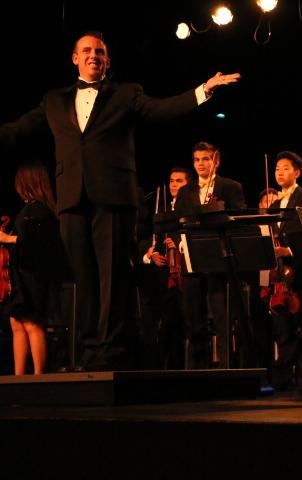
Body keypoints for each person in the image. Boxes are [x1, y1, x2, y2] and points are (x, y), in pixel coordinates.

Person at [0, 31, 240, 371]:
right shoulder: (53, 100)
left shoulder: (126, 94)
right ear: (74, 58)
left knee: (113, 278)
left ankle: (111, 353)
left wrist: (203, 91)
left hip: (113, 198)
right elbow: (18, 129)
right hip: (72, 200)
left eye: (99, 51)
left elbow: (161, 110)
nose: (93, 55)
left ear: (107, 60)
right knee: (83, 280)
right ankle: (88, 352)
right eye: (86, 51)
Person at [175, 141, 246, 369]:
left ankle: (226, 369)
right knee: (194, 320)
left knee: (222, 319)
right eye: (196, 159)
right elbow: (178, 224)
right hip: (192, 261)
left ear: (216, 160)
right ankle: (197, 371)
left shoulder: (230, 186)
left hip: (218, 261)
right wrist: (181, 243)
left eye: (205, 159)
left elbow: (238, 218)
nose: (200, 164)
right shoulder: (186, 191)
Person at [0, 163, 67, 374]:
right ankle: (19, 378)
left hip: (32, 276)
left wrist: (6, 238)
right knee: (17, 326)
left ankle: (39, 377)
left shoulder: (38, 210)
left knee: (32, 324)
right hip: (20, 275)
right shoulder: (29, 209)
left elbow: (38, 244)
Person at [266, 151, 302, 390]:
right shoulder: (275, 204)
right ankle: (284, 377)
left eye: (285, 168)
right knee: (283, 326)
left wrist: (288, 252)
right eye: (277, 168)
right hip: (282, 276)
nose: (280, 172)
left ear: (297, 172)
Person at [138, 167, 193, 369]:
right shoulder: (158, 208)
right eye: (171, 181)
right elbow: (143, 239)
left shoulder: (190, 208)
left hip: (181, 276)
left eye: (179, 181)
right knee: (155, 329)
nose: (174, 185)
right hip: (158, 278)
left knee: (178, 326)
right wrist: (149, 254)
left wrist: (177, 241)